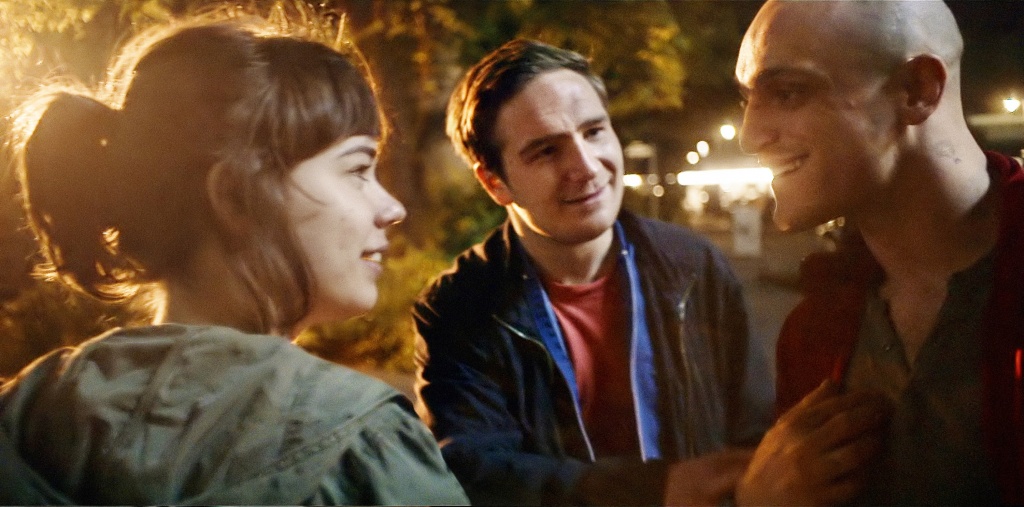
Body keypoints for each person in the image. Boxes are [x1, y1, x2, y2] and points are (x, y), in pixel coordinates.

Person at [0, 12, 469, 506]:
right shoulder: (362, 446)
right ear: (238, 196)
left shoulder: (25, 416)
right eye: (357, 169)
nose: (392, 208)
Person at [413, 38, 774, 506]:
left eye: (594, 132)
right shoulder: (458, 307)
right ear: (495, 182)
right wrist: (658, 490)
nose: (585, 167)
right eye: (546, 151)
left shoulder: (691, 265)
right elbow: (476, 473)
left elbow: (755, 432)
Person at [733, 0, 1024, 505]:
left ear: (917, 90)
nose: (749, 136)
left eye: (788, 92)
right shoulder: (814, 331)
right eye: (747, 100)